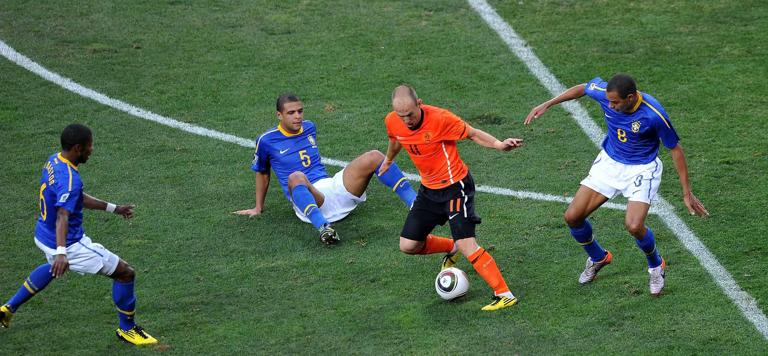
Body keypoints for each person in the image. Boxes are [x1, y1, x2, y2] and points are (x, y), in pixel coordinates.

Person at [524, 73, 709, 296]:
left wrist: (686, 192)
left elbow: (676, 150)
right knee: (572, 217)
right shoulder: (606, 95)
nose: (610, 105)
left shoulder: (654, 114)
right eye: (609, 101)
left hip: (642, 168)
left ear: (630, 97)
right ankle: (598, 257)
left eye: (615, 102)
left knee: (633, 226)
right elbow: (583, 87)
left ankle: (656, 265)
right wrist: (548, 103)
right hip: (610, 163)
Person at [0, 124, 157, 345]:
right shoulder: (71, 180)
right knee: (125, 273)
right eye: (89, 145)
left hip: (43, 234)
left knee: (54, 267)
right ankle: (127, 330)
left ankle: (8, 308)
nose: (92, 149)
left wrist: (114, 208)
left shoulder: (54, 160)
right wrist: (63, 252)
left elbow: (75, 198)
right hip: (68, 243)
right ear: (77, 148)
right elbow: (64, 214)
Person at [379, 85, 524, 311]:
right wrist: (388, 160)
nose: (406, 120)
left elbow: (473, 133)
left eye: (410, 114)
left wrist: (498, 144)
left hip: (456, 188)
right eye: (401, 116)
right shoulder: (393, 121)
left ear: (420, 103)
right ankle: (452, 247)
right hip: (428, 191)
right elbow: (396, 137)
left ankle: (504, 294)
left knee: (469, 245)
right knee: (408, 245)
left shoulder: (440, 119)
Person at [235, 93, 418, 245]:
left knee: (374, 156)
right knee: (296, 176)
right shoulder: (266, 140)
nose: (298, 116)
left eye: (300, 111)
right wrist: (258, 207)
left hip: (332, 187)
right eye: (291, 113)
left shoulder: (309, 127)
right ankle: (324, 228)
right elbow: (262, 172)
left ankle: (416, 203)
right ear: (279, 115)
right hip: (310, 200)